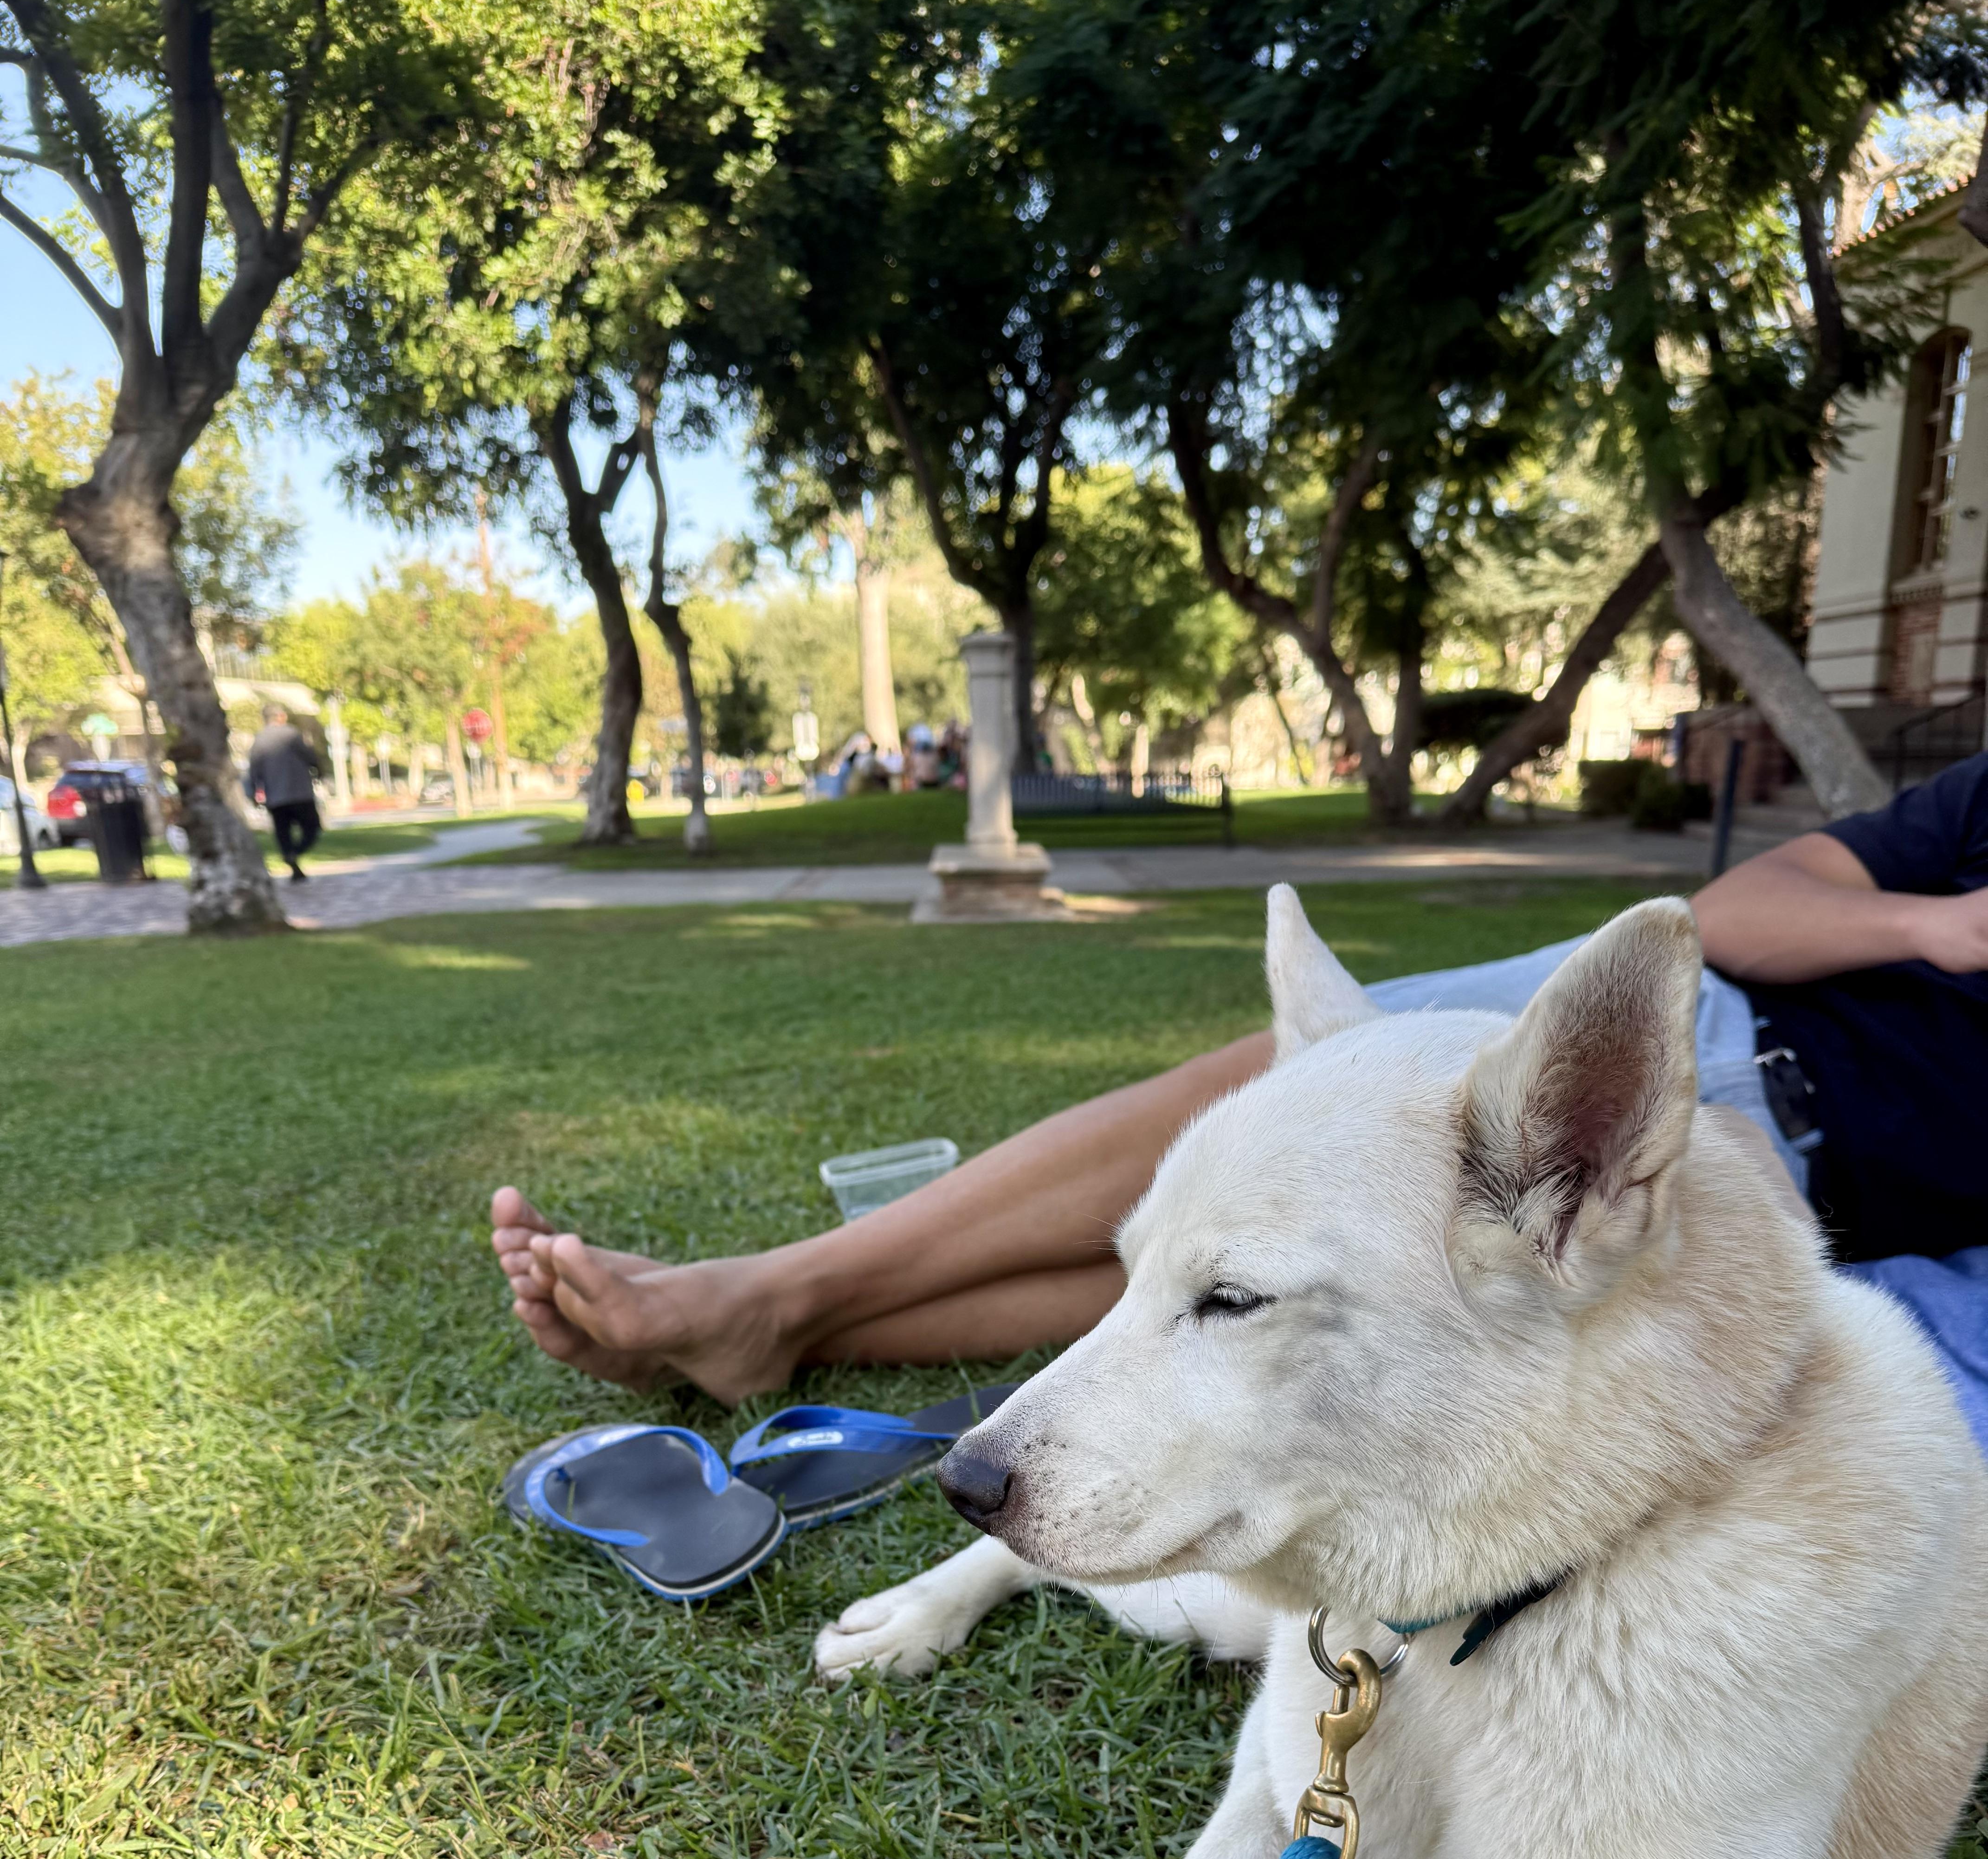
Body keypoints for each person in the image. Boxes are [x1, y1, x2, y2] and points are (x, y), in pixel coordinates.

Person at [491, 761, 1988, 1406]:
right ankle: (782, 1291)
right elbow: (1735, 910)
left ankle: (788, 1335)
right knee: (1214, 1158)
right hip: (1696, 1025)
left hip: (1821, 1223)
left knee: (1260, 1286)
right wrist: (1937, 925)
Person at [245, 704, 324, 879]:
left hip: (276, 797)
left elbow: (254, 771)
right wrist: (319, 771)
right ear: (281, 716)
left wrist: (253, 793)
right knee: (312, 828)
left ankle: (292, 860)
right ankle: (295, 854)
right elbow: (310, 757)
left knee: (283, 833)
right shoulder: (292, 735)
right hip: (300, 794)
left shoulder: (259, 740)